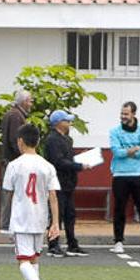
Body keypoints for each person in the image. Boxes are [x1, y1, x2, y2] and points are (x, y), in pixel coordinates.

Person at [3, 124, 61, 280]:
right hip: (40, 218)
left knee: (23, 261)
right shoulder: (47, 166)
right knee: (34, 259)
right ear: (38, 141)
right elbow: (53, 195)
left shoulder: (14, 165)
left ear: (20, 141)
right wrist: (55, 223)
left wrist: (4, 222)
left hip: (21, 218)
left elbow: (8, 195)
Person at [109, 101, 140, 255]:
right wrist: (134, 149)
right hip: (120, 175)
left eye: (126, 114)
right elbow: (117, 152)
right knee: (119, 209)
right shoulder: (114, 131)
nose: (123, 116)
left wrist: (129, 151)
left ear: (133, 114)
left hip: (139, 174)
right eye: (122, 113)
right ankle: (118, 241)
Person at [44, 110, 91, 257]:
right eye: (67, 121)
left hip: (69, 183)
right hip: (58, 182)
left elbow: (68, 159)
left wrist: (81, 159)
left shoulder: (67, 139)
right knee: (57, 214)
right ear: (59, 123)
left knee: (70, 214)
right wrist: (78, 166)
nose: (70, 123)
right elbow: (58, 161)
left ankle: (72, 243)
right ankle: (53, 243)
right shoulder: (52, 139)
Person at [0, 90, 33, 233]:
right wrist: (24, 157)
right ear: (23, 101)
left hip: (9, 160)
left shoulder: (12, 114)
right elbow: (15, 140)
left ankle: (7, 223)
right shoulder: (15, 116)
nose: (32, 103)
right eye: (30, 100)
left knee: (9, 192)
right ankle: (6, 225)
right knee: (10, 193)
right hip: (12, 161)